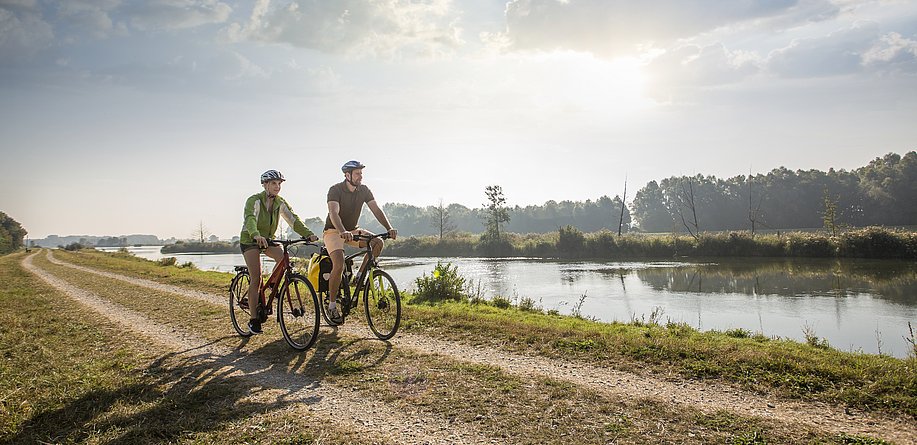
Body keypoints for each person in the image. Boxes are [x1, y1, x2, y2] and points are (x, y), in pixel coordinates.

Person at [240, 169, 318, 334]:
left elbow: (293, 220)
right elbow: (250, 219)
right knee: (256, 277)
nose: (277, 187)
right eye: (274, 183)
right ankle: (254, 320)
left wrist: (308, 234)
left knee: (282, 256)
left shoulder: (279, 202)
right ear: (265, 185)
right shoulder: (254, 200)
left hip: (268, 239)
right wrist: (255, 235)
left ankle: (274, 284)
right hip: (250, 240)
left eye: (279, 184)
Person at [323, 160, 397, 324]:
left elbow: (376, 209)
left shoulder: (363, 190)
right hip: (334, 231)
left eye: (361, 173)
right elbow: (333, 213)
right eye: (357, 173)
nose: (360, 176)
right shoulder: (335, 190)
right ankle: (332, 305)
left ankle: (359, 276)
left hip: (353, 230)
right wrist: (342, 231)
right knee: (339, 263)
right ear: (347, 175)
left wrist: (389, 228)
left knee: (377, 242)